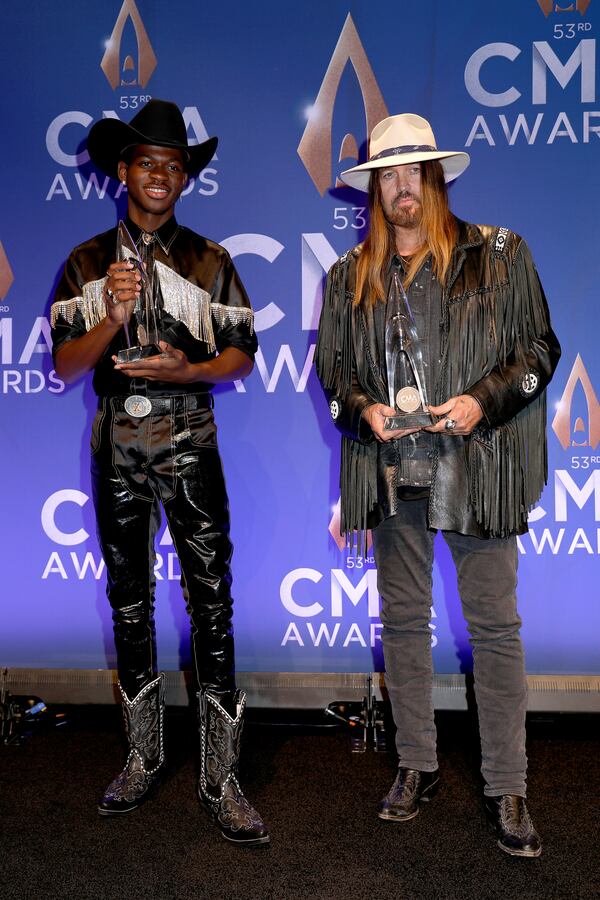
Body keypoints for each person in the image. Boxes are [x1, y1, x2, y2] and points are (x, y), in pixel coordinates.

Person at [315, 113, 560, 858]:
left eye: (411, 171)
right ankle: (415, 767)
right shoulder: (347, 277)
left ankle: (507, 786)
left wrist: (484, 399)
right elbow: (334, 375)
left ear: (435, 178)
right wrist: (364, 411)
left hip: (478, 467)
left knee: (493, 630)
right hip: (394, 474)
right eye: (386, 175)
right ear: (374, 190)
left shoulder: (501, 254)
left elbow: (541, 349)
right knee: (403, 629)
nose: (400, 188)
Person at [51, 99, 269, 846]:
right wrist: (111, 316)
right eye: (147, 163)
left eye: (174, 167)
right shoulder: (85, 263)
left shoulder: (211, 260)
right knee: (128, 601)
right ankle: (143, 757)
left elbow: (245, 354)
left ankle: (221, 774)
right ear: (122, 171)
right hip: (115, 440)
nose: (161, 177)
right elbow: (62, 365)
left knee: (212, 600)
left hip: (189, 436)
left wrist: (194, 369)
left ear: (185, 178)